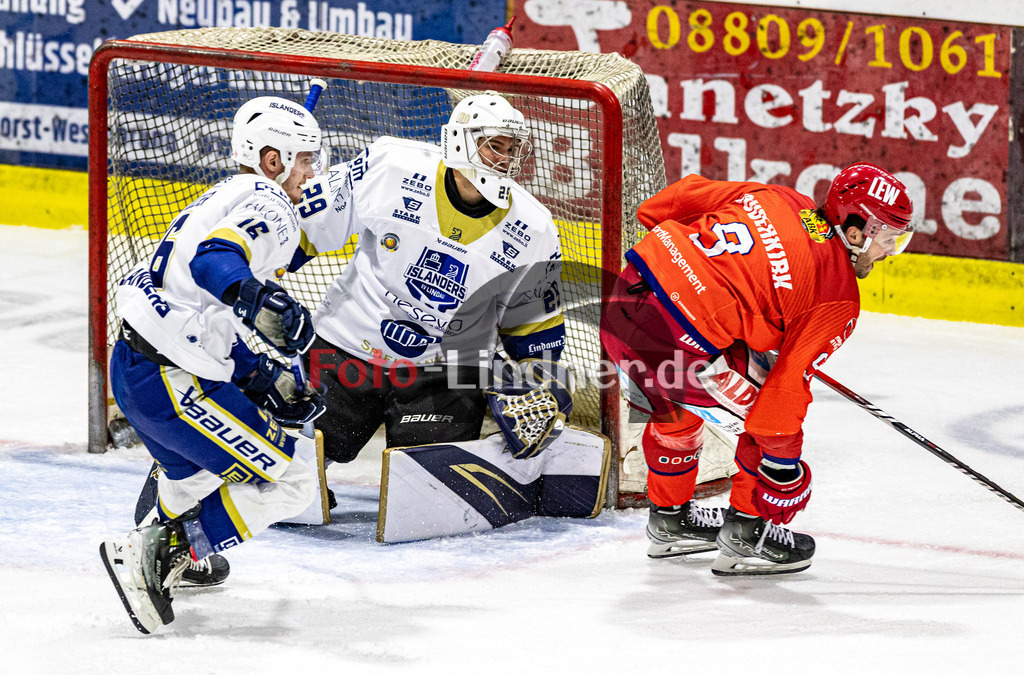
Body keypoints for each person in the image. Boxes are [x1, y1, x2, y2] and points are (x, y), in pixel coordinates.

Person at [599, 163, 914, 575]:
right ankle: (747, 534)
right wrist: (784, 471)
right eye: (889, 239)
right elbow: (780, 403)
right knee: (768, 421)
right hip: (673, 349)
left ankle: (671, 519)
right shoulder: (838, 297)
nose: (890, 252)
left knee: (689, 399)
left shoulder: (780, 198)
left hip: (622, 306)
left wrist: (699, 278)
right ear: (855, 232)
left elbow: (665, 204)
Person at [99, 95, 328, 634]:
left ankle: (164, 533)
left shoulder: (224, 193)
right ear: (272, 160)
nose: (311, 173)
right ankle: (167, 550)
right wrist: (254, 297)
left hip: (134, 367)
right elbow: (214, 264)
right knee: (294, 480)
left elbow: (206, 313)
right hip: (171, 384)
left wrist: (258, 375)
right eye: (305, 159)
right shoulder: (270, 200)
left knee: (195, 479)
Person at [293, 91, 569, 466]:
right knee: (298, 461)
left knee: (429, 479)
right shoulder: (391, 165)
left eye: (511, 148)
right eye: (494, 146)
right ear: (459, 142)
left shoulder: (534, 229)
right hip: (346, 345)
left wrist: (546, 387)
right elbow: (309, 229)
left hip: (442, 369)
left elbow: (533, 331)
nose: (505, 159)